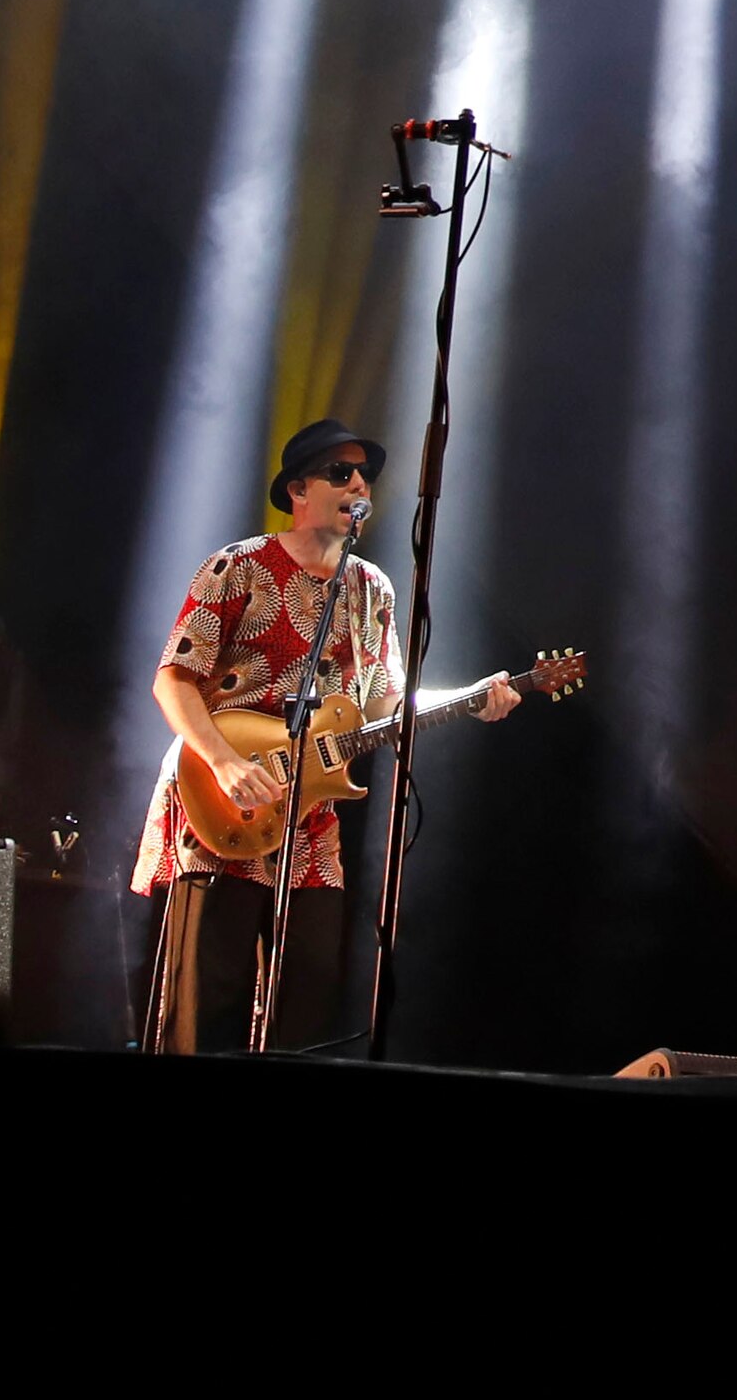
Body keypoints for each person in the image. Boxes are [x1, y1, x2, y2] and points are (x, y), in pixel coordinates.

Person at [135, 418, 526, 1054]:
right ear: (298, 490)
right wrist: (226, 761)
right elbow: (174, 680)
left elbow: (387, 703)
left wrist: (470, 700)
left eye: (363, 474)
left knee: (308, 994)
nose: (358, 484)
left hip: (311, 823)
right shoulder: (236, 566)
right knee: (211, 996)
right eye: (340, 473)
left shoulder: (371, 589)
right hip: (221, 798)